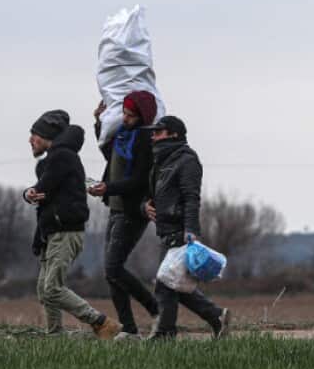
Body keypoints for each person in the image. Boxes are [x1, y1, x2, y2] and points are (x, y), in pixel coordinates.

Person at [23, 109, 122, 340]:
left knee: (52, 289)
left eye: (34, 134)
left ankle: (102, 323)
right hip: (52, 234)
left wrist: (31, 192)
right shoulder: (54, 160)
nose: (30, 140)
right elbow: (43, 197)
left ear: (47, 135)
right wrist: (29, 195)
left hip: (65, 233)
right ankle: (55, 334)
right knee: (44, 290)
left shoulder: (62, 157)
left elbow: (42, 188)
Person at [143, 115, 231, 339]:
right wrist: (145, 206)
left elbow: (192, 197)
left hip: (180, 230)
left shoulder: (187, 160)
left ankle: (165, 335)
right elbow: (153, 193)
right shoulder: (162, 161)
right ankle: (216, 317)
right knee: (173, 282)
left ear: (174, 134)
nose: (153, 136)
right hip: (165, 229)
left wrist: (190, 230)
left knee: (166, 283)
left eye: (158, 132)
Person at [88, 92, 160, 336]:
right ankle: (129, 329)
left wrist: (108, 188)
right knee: (111, 274)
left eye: (130, 115)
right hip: (115, 207)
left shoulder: (145, 140)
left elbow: (138, 181)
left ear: (142, 117)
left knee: (113, 268)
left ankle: (156, 309)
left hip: (132, 211)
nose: (125, 118)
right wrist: (99, 123)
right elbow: (110, 154)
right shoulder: (123, 135)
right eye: (124, 113)